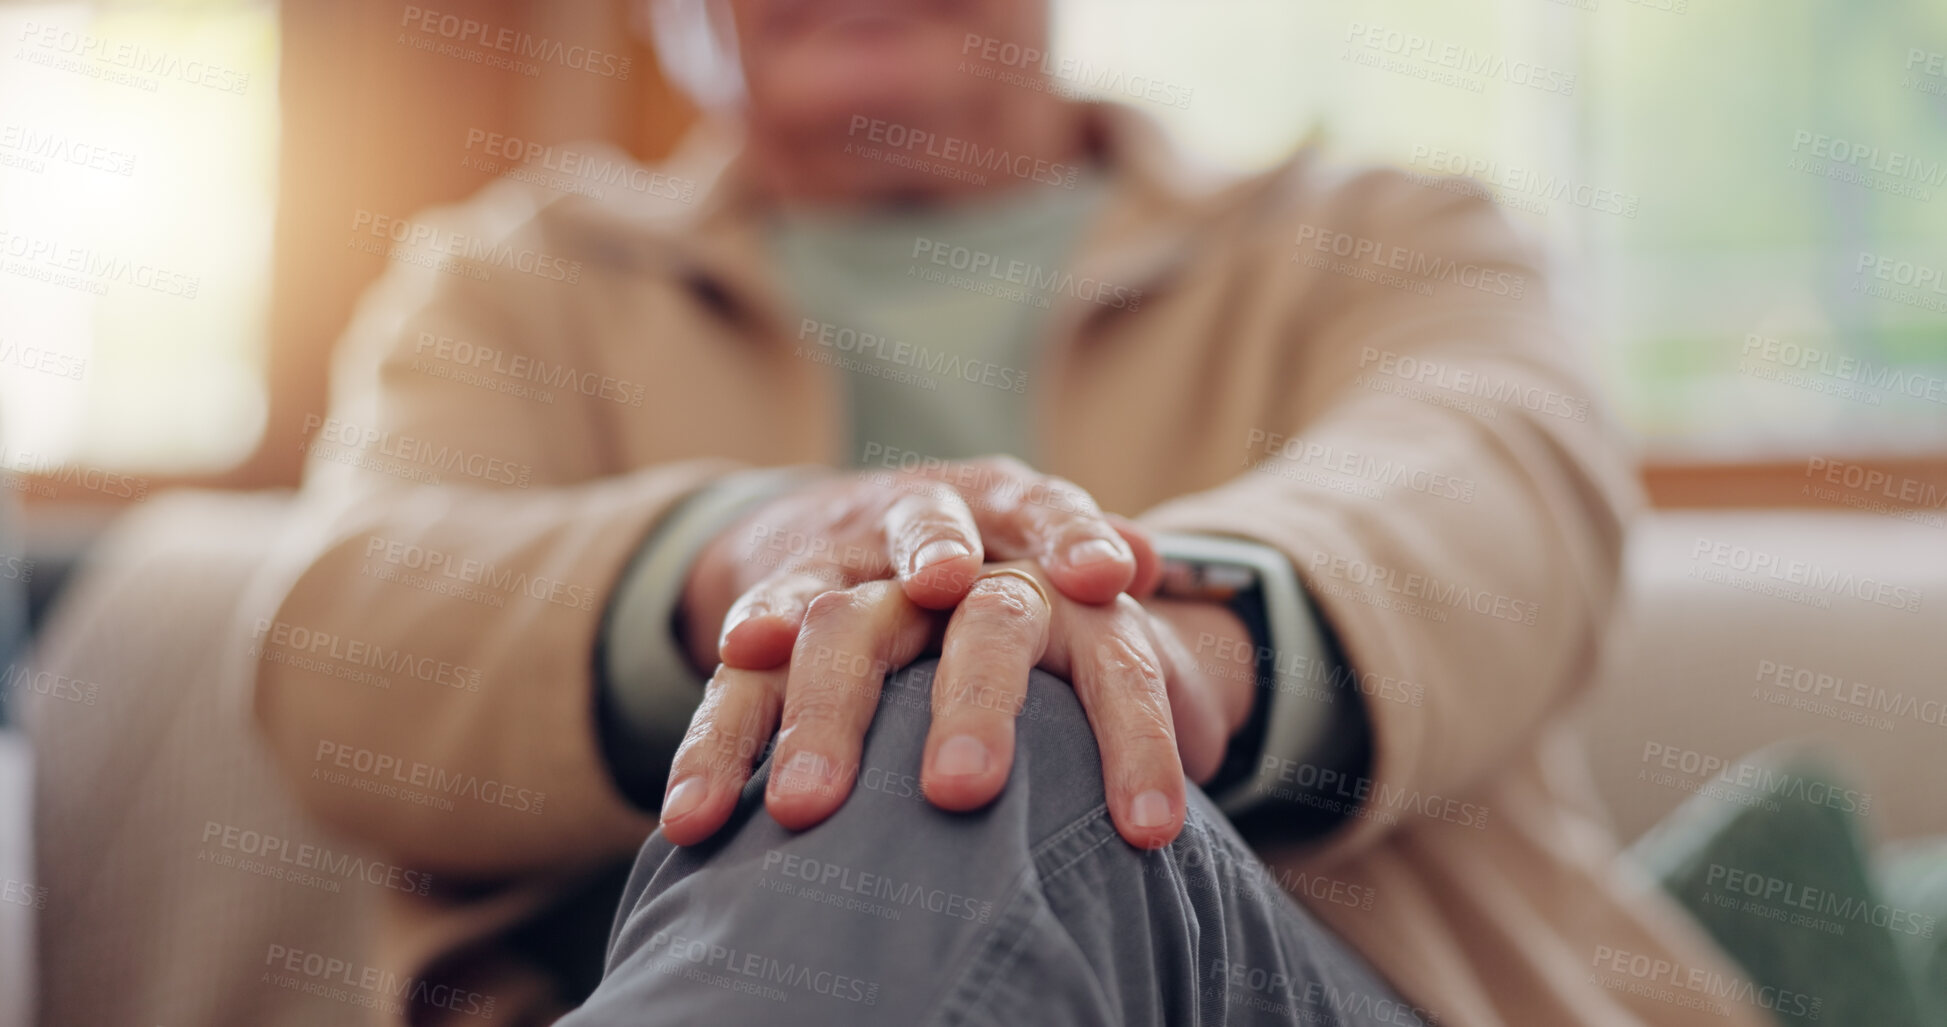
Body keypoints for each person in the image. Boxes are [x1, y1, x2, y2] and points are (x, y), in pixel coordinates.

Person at [251, 0, 1772, 1024]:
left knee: (996, 705)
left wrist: (1150, 641)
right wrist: (751, 561)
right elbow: (346, 633)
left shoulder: (1385, 235)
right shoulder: (516, 280)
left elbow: (1500, 500)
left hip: (1324, 983)